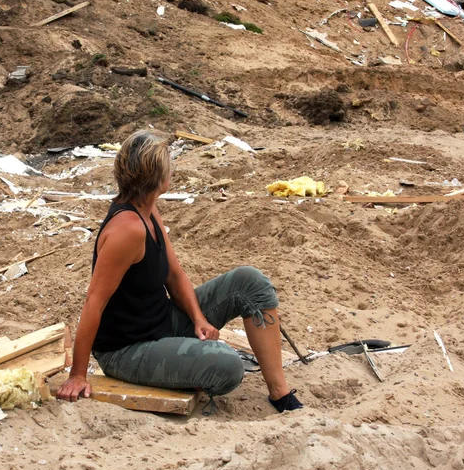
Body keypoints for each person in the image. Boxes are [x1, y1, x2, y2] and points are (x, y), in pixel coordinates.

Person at [56, 130, 302, 414]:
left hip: (162, 323)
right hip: (127, 351)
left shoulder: (148, 209)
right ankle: (179, 368)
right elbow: (93, 303)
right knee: (228, 365)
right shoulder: (128, 229)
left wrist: (198, 319)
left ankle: (279, 392)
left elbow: (173, 274)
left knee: (250, 282)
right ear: (161, 179)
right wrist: (78, 374)